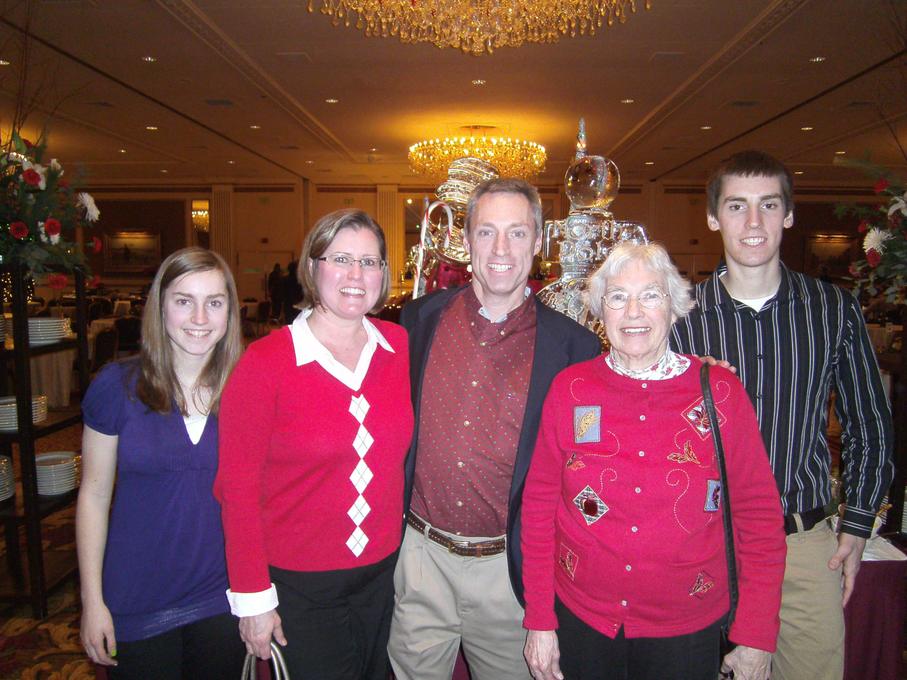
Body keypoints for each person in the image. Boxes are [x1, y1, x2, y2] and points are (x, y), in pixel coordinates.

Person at [670, 150, 894, 680]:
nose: (753, 222)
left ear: (788, 214)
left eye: (768, 205)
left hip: (802, 541)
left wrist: (858, 524)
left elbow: (869, 424)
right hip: (705, 541)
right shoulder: (680, 317)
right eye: (737, 206)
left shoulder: (833, 309)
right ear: (713, 217)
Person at [521, 242, 787, 680]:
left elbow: (758, 517)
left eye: (650, 295)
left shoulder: (720, 393)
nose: (633, 311)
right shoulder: (571, 390)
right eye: (617, 297)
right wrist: (539, 619)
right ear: (600, 310)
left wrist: (756, 635)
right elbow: (538, 510)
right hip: (582, 620)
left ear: (674, 305)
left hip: (687, 628)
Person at [388, 178, 601, 680]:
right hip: (419, 559)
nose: (501, 249)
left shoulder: (574, 348)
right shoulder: (417, 320)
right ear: (467, 242)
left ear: (539, 241)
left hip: (510, 572)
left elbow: (594, 453)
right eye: (486, 232)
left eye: (517, 233)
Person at [215, 209, 413, 679]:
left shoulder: (398, 346)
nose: (355, 274)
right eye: (340, 259)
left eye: (369, 262)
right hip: (301, 586)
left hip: (383, 576)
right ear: (312, 266)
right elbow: (237, 489)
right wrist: (253, 598)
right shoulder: (265, 362)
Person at [77, 247, 246, 679]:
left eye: (214, 302)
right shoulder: (117, 386)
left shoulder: (246, 389)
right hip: (137, 598)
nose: (200, 318)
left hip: (221, 599)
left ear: (230, 312)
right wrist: (92, 601)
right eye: (184, 301)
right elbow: (94, 497)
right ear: (160, 306)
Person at [282, 258, 304, 324]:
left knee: (289, 323)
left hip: (288, 304)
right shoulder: (300, 280)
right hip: (298, 304)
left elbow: (282, 293)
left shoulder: (284, 279)